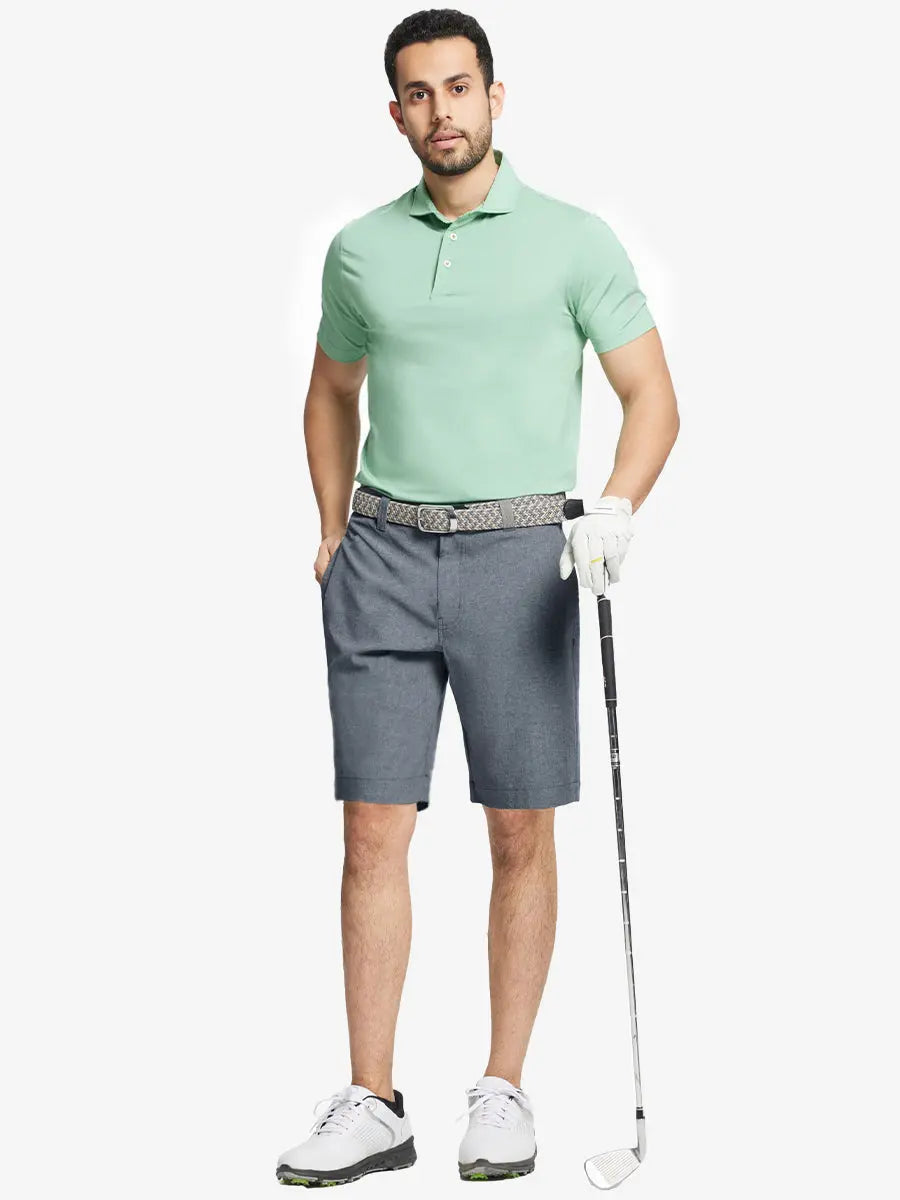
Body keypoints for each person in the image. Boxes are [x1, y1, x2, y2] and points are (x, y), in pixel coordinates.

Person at [277, 8, 679, 1187]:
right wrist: (332, 524)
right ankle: (373, 1101)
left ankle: (503, 1088)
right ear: (395, 112)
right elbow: (329, 391)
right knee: (370, 830)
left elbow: (653, 396)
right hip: (386, 555)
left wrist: (616, 504)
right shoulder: (360, 250)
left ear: (496, 98)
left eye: (459, 87)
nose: (440, 111)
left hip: (521, 553)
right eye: (418, 93)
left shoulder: (573, 241)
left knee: (519, 827)